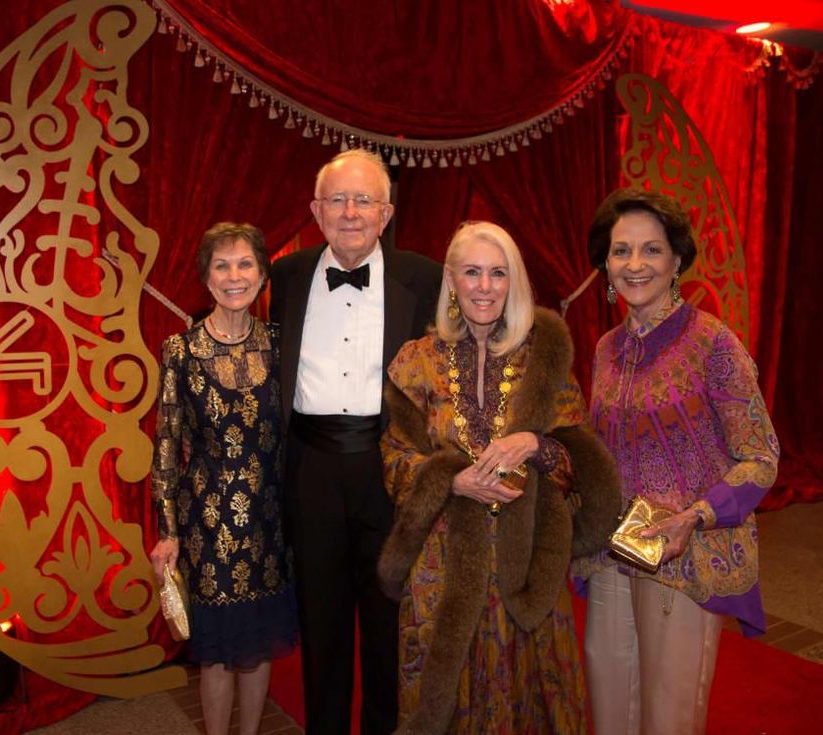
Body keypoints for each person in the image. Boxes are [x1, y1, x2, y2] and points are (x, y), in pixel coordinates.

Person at [377, 221, 620, 734]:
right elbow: (395, 461)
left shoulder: (542, 359)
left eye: (497, 273)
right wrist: (452, 480)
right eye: (472, 273)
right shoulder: (414, 362)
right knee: (440, 697)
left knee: (530, 696)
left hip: (526, 561)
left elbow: (579, 462)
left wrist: (535, 444)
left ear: (514, 282)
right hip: (442, 566)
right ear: (451, 279)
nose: (484, 287)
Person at [581, 188, 779, 735]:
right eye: (621, 251)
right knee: (610, 710)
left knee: (667, 715)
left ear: (676, 262)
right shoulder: (604, 348)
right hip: (614, 552)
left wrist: (694, 516)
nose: (635, 265)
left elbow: (762, 456)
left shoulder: (713, 343)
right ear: (605, 263)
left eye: (652, 250)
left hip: (685, 558)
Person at [269, 149, 442, 734]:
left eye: (363, 200)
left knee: (389, 621)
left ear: (386, 213)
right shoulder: (285, 277)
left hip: (388, 466)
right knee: (321, 625)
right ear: (315, 211)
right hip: (311, 468)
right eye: (337, 200)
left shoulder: (423, 277)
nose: (349, 213)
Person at [149, 222, 298, 735]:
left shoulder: (282, 345)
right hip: (207, 523)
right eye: (222, 265)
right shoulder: (180, 351)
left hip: (271, 520)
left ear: (261, 274)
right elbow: (166, 445)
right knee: (216, 653)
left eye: (245, 264)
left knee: (257, 646)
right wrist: (167, 531)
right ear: (206, 277)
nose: (234, 276)